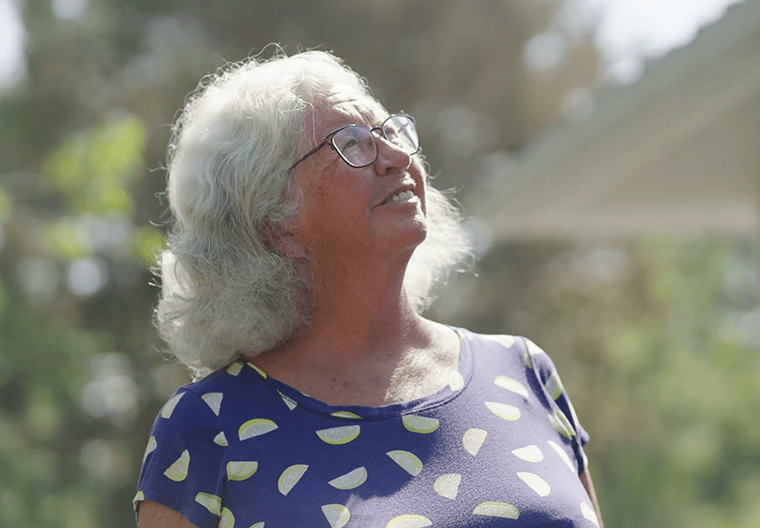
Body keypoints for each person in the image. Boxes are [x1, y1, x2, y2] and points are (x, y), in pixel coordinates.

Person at [135, 50, 603, 528]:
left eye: (389, 132)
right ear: (277, 226)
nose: (397, 156)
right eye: (352, 144)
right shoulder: (207, 426)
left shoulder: (524, 371)